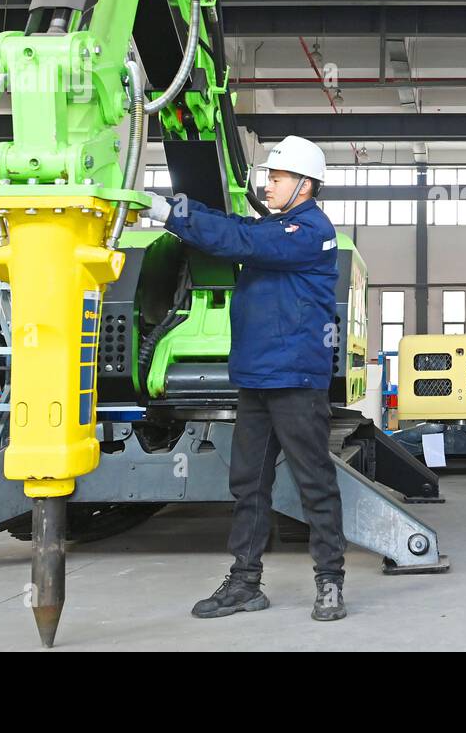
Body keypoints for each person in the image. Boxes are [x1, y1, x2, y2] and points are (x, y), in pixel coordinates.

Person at [145, 135, 347, 622]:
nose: (268, 185)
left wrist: (168, 214)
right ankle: (244, 583)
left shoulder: (310, 231)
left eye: (276, 179)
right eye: (269, 177)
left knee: (313, 481)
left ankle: (330, 582)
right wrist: (177, 207)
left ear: (304, 184)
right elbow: (236, 226)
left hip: (296, 379)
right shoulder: (276, 226)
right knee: (248, 485)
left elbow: (244, 241)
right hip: (256, 377)